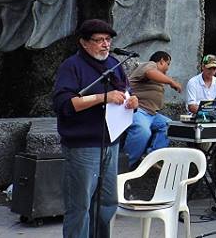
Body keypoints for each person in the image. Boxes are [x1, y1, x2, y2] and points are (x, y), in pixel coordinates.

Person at [51, 19, 139, 238]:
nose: (105, 44)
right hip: (83, 145)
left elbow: (125, 91)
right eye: (99, 40)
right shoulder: (72, 66)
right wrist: (102, 97)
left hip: (111, 142)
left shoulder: (115, 65)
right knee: (80, 205)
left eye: (108, 40)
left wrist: (132, 101)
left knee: (107, 202)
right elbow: (64, 103)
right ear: (84, 42)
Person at [123, 51, 183, 168]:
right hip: (139, 110)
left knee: (170, 125)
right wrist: (171, 81)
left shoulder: (159, 77)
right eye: (168, 64)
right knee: (143, 131)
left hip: (152, 114)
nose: (168, 68)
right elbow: (150, 73)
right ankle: (124, 167)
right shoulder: (149, 65)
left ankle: (151, 157)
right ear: (162, 61)